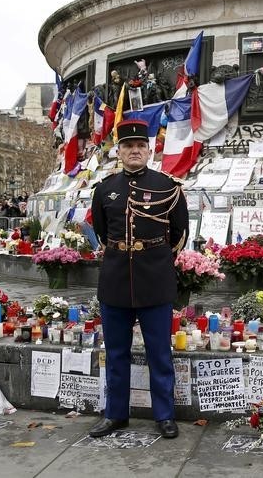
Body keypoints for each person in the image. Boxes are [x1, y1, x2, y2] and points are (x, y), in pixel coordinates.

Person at [90, 119, 189, 439]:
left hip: (155, 279)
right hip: (116, 280)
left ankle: (164, 416)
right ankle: (115, 414)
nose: (134, 151)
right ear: (118, 151)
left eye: (140, 146)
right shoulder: (104, 188)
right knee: (116, 353)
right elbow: (103, 233)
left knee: (159, 352)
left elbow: (179, 234)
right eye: (128, 146)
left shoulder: (168, 186)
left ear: (149, 151)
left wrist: (156, 259)